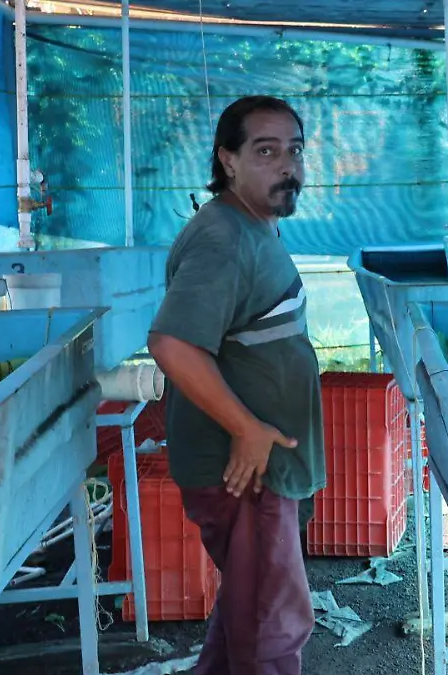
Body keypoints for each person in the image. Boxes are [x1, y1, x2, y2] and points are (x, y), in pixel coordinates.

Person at [147, 95, 326, 675]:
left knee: (245, 620)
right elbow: (172, 344)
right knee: (271, 630)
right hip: (246, 471)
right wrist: (247, 428)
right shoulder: (223, 238)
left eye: (294, 151)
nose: (287, 167)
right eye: (266, 151)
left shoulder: (254, 228)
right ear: (227, 159)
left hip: (263, 467)